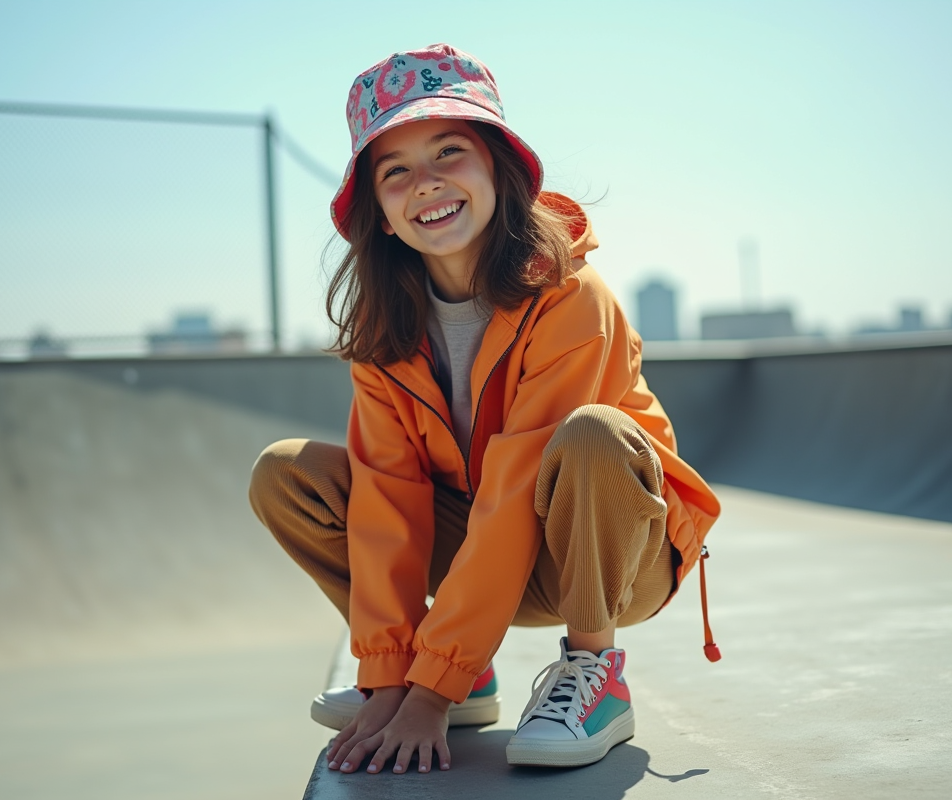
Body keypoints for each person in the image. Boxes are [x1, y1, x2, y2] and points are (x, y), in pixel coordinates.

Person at [249, 43, 721, 776]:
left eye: (449, 151)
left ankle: (595, 673)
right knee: (286, 473)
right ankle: (460, 672)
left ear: (499, 166)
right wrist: (394, 679)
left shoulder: (569, 295)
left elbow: (514, 490)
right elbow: (388, 500)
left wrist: (426, 698)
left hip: (608, 555)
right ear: (378, 211)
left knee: (594, 433)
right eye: (395, 170)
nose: (426, 183)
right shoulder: (385, 331)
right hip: (482, 542)